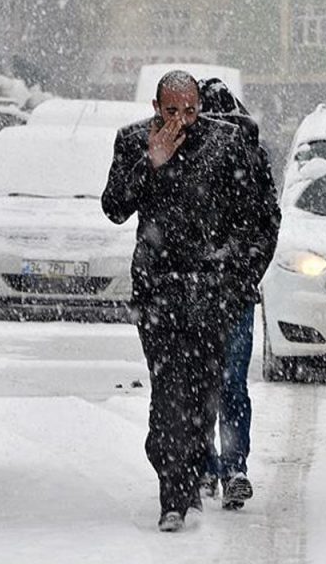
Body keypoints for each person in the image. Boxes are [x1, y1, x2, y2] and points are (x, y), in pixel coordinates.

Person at [102, 70, 278, 532]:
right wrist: (151, 164)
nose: (181, 120)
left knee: (203, 394)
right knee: (167, 393)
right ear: (156, 107)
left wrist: (236, 277)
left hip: (211, 295)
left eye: (190, 110)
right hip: (158, 293)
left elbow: (258, 218)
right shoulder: (133, 141)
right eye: (172, 110)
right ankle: (173, 496)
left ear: (201, 107)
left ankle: (193, 468)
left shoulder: (226, 144)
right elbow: (115, 206)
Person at [195, 78, 280, 511]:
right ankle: (215, 465)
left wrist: (242, 270)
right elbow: (268, 224)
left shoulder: (246, 157)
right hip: (213, 291)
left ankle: (227, 466)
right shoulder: (243, 155)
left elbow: (266, 223)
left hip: (226, 291)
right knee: (217, 383)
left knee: (220, 381)